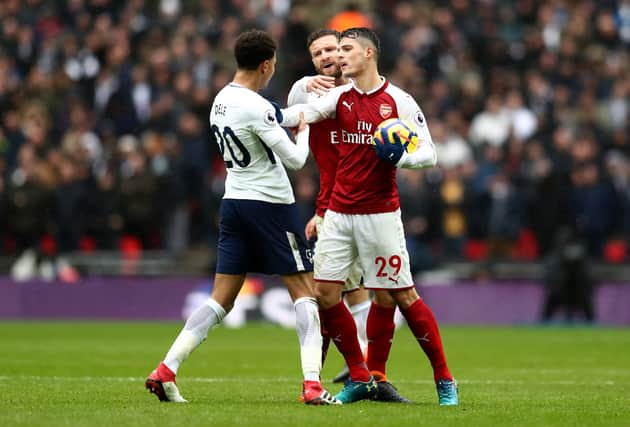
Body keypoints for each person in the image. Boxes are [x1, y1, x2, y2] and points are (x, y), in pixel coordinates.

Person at [145, 29, 340, 406]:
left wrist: (296, 113)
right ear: (267, 65)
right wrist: (305, 130)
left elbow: (271, 118)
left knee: (221, 298)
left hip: (233, 202)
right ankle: (313, 384)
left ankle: (166, 369)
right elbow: (297, 160)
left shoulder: (221, 100)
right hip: (270, 204)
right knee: (304, 290)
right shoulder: (257, 104)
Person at [281, 27, 459, 406]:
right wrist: (262, 115)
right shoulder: (340, 97)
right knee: (326, 294)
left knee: (401, 295)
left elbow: (429, 153)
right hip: (339, 213)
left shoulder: (399, 101)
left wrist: (402, 156)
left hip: (380, 214)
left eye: (346, 49)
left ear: (368, 54)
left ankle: (444, 378)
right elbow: (303, 113)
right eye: (335, 50)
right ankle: (361, 376)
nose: (339, 56)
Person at [287, 29, 409, 403]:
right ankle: (348, 373)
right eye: (319, 53)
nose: (327, 57)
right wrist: (302, 84)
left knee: (378, 295)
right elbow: (291, 111)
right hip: (333, 209)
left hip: (372, 207)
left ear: (349, 52)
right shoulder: (312, 94)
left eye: (334, 49)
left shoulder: (367, 95)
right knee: (332, 294)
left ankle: (365, 370)